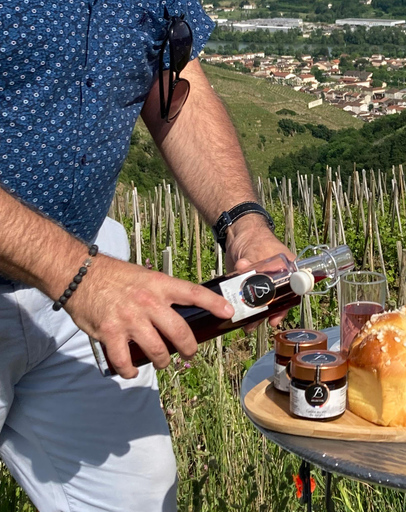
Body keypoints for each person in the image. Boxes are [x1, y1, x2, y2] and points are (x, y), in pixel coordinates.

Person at [0, 1, 292, 510]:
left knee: (139, 495)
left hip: (78, 294)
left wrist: (243, 223)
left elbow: (174, 80)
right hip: (81, 278)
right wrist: (79, 275)